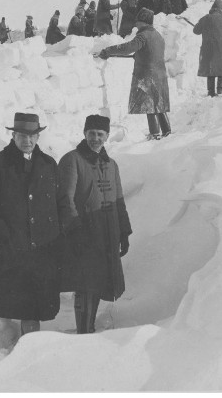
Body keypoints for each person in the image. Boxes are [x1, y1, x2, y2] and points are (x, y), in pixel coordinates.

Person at [0, 113, 69, 336]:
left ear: (38, 137)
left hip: (44, 247)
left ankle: (32, 348)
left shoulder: (47, 163)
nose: (27, 141)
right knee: (26, 306)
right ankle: (27, 351)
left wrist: (58, 232)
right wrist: (5, 237)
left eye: (32, 136)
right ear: (13, 135)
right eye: (22, 136)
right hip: (16, 246)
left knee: (38, 303)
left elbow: (61, 201)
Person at [58, 114, 132, 334]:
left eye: (100, 134)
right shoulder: (72, 160)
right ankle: (84, 332)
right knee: (85, 284)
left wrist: (124, 232)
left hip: (107, 234)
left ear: (107, 136)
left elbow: (119, 200)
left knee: (99, 282)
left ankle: (89, 330)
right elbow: (65, 199)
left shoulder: (111, 165)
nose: (95, 138)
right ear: (84, 133)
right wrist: (74, 231)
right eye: (91, 133)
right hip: (84, 235)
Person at [97, 7, 171, 139]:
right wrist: (139, 55)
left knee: (150, 105)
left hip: (148, 75)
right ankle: (167, 131)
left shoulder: (143, 35)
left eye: (138, 21)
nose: (136, 24)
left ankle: (155, 134)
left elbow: (127, 48)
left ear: (144, 22)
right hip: (160, 74)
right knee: (159, 104)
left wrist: (108, 51)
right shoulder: (158, 35)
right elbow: (151, 52)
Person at [193, 0, 222, 97]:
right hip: (221, 48)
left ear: (212, 8)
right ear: (220, 9)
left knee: (210, 68)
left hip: (208, 48)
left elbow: (196, 31)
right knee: (221, 67)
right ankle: (221, 89)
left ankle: (211, 91)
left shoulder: (205, 18)